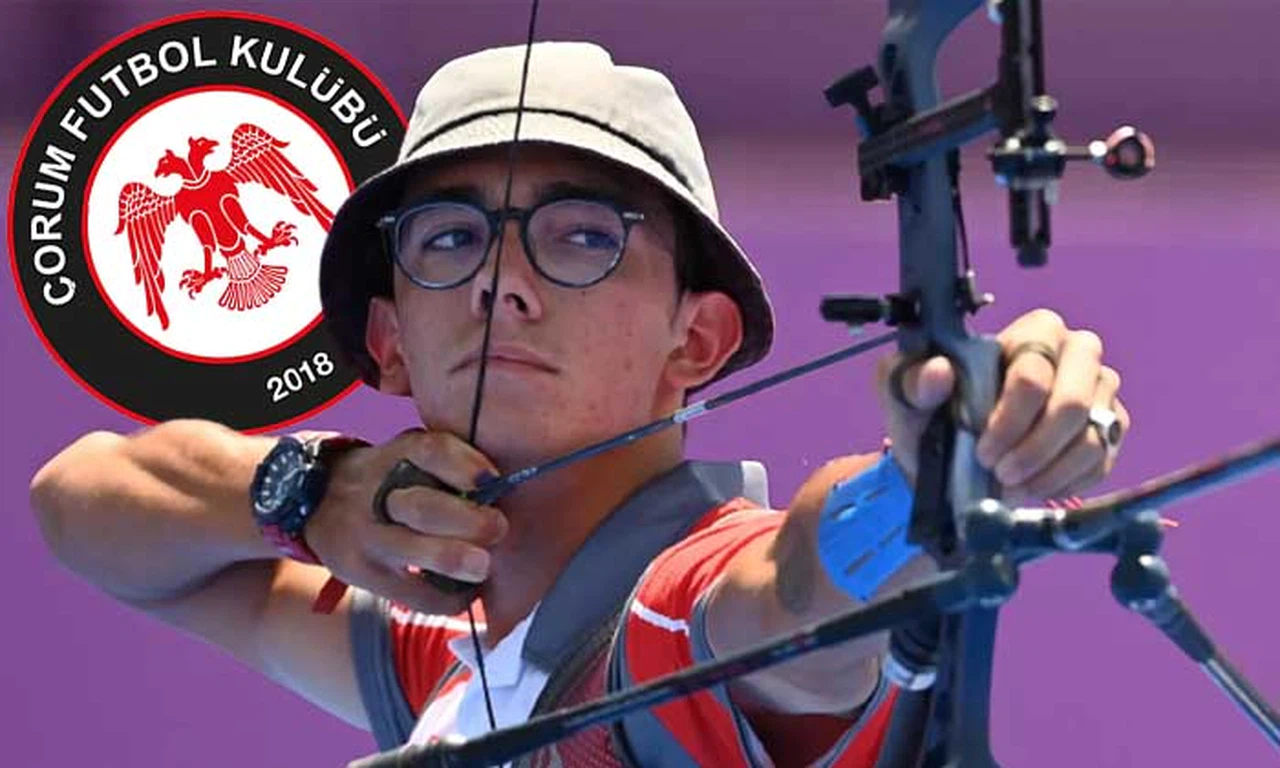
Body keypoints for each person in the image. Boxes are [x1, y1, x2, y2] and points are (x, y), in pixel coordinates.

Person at [29, 41, 1128, 767]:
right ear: (389, 341)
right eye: (449, 239)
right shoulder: (429, 634)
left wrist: (936, 468)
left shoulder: (680, 614)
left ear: (697, 340)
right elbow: (77, 503)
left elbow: (798, 591)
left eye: (583, 236)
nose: (501, 283)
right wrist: (309, 488)